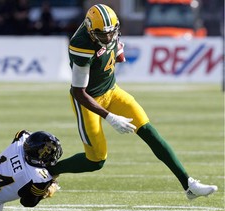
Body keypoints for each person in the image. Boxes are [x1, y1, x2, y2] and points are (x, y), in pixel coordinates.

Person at [47, 4, 218, 200]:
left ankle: (189, 185)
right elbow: (78, 92)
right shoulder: (82, 44)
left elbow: (112, 41)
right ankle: (50, 171)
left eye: (111, 33)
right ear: (90, 30)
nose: (108, 38)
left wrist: (117, 51)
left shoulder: (107, 30)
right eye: (103, 35)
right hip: (89, 101)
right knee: (96, 160)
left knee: (148, 131)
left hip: (112, 91)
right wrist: (109, 116)